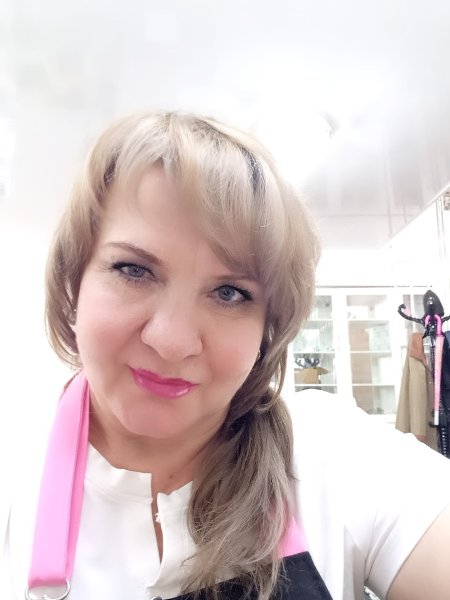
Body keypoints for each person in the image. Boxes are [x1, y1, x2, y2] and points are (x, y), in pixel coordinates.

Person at [2, 111, 450, 600]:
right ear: (74, 280)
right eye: (134, 270)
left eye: (230, 293)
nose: (172, 341)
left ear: (268, 328)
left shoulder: (334, 454)